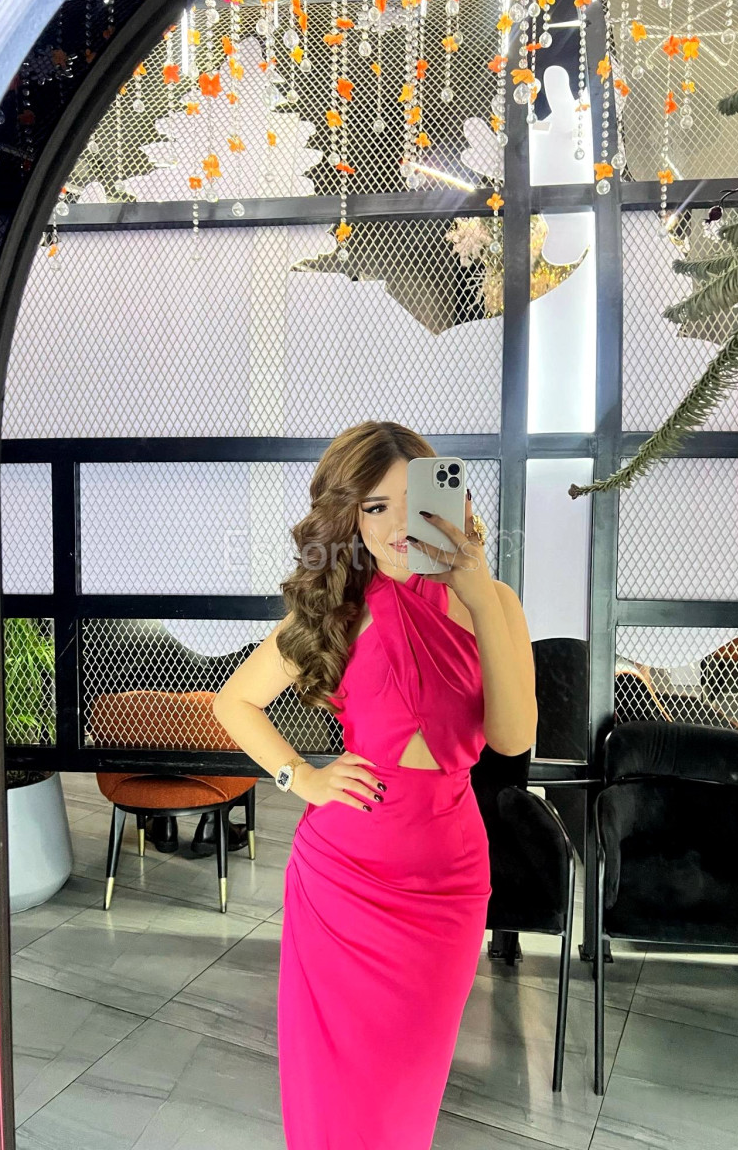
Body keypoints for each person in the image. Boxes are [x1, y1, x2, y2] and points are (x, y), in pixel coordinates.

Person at [212, 421, 537, 1150]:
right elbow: (234, 702)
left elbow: (513, 739)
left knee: (405, 1098)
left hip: (447, 882)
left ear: (447, 504)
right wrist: (303, 777)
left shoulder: (496, 603)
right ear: (350, 518)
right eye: (374, 507)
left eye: (412, 502)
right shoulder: (338, 605)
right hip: (342, 883)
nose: (395, 526)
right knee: (333, 1096)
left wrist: (479, 595)